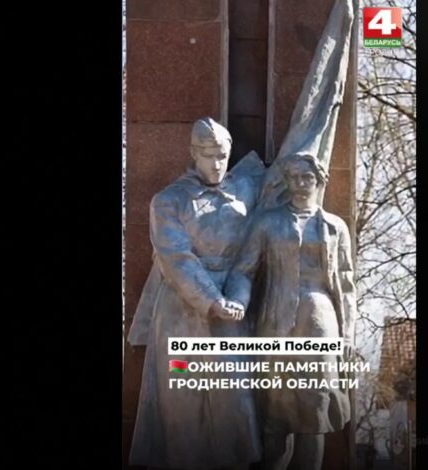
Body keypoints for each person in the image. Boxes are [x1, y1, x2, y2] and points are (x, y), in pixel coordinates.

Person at [127, 117, 263, 470]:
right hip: (180, 313)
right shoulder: (168, 201)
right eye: (208, 155)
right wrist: (212, 301)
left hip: (231, 313)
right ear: (193, 153)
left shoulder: (245, 193)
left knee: (234, 402)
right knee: (182, 405)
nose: (217, 164)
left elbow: (249, 258)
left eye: (222, 156)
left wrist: (237, 299)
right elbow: (176, 259)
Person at [225, 153, 357, 470]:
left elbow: (346, 284)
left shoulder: (335, 227)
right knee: (275, 411)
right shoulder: (267, 223)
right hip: (275, 319)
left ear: (319, 181)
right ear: (287, 181)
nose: (300, 184)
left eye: (307, 177)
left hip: (320, 322)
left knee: (315, 410)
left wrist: (348, 334)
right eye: (294, 177)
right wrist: (239, 301)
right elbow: (243, 270)